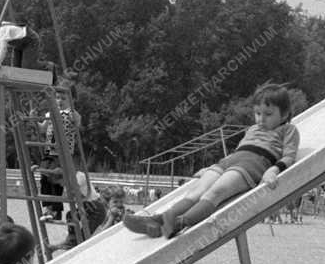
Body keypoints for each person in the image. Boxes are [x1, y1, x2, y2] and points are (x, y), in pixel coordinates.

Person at [124, 83, 300, 239]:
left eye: (268, 114)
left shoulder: (288, 129)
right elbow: (239, 150)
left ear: (284, 114)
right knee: (196, 192)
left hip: (252, 164)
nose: (261, 119)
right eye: (257, 113)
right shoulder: (252, 129)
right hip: (230, 161)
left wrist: (274, 170)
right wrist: (213, 167)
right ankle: (158, 221)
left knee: (214, 193)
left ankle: (179, 223)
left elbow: (289, 156)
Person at [38, 74, 82, 222]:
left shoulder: (71, 113)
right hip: (49, 150)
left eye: (63, 99)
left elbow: (77, 123)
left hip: (63, 153)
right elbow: (43, 129)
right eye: (57, 97)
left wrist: (74, 113)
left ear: (71, 100)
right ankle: (48, 208)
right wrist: (34, 121)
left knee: (55, 178)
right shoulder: (50, 113)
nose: (59, 101)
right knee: (44, 177)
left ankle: (55, 211)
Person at [57, 171, 109, 250]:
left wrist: (70, 192)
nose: (61, 185)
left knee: (84, 235)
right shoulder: (71, 180)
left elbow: (77, 192)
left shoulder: (79, 176)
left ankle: (74, 242)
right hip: (88, 206)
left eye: (61, 183)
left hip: (95, 206)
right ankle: (72, 239)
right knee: (70, 215)